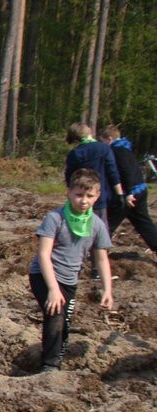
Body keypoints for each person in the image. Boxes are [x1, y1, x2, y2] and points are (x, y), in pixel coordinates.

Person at [29, 168, 113, 373]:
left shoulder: (97, 225)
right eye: (79, 195)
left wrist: (107, 290)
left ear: (97, 196)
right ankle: (49, 366)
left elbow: (101, 258)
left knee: (65, 322)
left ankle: (57, 357)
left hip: (69, 280)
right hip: (44, 275)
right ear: (68, 192)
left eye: (89, 196)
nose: (83, 200)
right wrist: (52, 288)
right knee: (55, 314)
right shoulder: (55, 218)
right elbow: (43, 254)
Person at [99, 124, 157, 253]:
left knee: (107, 224)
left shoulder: (117, 151)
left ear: (109, 138)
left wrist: (129, 193)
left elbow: (127, 171)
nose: (101, 144)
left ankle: (99, 255)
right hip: (140, 190)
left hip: (130, 194)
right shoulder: (125, 148)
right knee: (144, 224)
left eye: (102, 141)